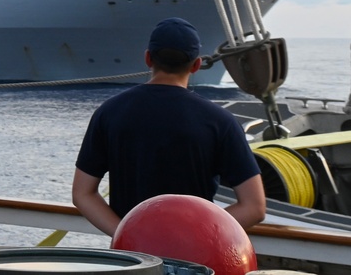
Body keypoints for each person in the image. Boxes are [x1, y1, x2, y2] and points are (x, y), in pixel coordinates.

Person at [72, 17, 265, 237]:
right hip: (194, 257)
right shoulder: (220, 121)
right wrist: (195, 236)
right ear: (196, 65)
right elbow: (254, 208)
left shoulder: (109, 112)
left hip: (133, 260)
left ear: (147, 58)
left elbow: (83, 194)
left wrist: (125, 235)